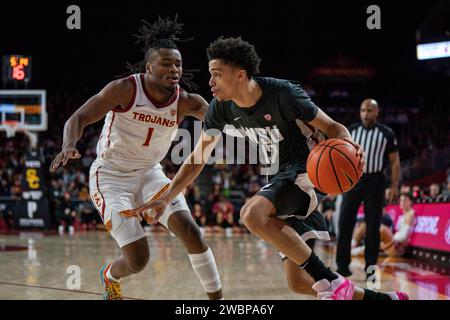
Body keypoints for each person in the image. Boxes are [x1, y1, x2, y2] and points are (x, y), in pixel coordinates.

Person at [132, 36, 408, 300]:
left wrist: (349, 149)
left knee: (252, 214)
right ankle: (381, 298)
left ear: (240, 75)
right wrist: (166, 198)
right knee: (298, 282)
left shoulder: (284, 94)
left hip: (306, 173)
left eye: (217, 73)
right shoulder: (221, 109)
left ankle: (331, 281)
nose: (210, 81)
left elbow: (333, 127)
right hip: (279, 179)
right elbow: (196, 158)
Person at [50, 16, 223, 300]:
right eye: (166, 63)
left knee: (191, 231)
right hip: (110, 177)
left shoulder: (186, 101)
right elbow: (78, 117)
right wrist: (69, 144)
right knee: (138, 258)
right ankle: (110, 274)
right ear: (149, 67)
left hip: (150, 172)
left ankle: (218, 302)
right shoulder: (125, 89)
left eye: (178, 64)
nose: (174, 69)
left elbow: (224, 116)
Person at [336, 99, 401, 278]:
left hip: (376, 181)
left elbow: (395, 161)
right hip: (354, 180)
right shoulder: (351, 131)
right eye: (363, 110)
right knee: (344, 222)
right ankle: (342, 267)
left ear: (377, 112)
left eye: (369, 110)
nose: (366, 113)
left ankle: (371, 271)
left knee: (373, 226)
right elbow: (341, 156)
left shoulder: (386, 133)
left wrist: (395, 185)